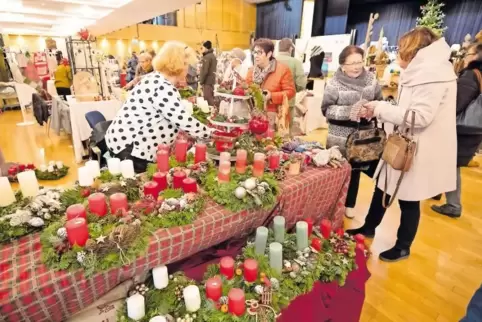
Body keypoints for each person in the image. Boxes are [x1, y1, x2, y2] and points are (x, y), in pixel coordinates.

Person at [348, 27, 457, 262]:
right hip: (402, 143)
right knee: (382, 187)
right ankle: (368, 227)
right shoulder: (425, 71)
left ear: (412, 51)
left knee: (409, 199)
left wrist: (380, 108)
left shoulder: (433, 74)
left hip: (416, 149)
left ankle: (403, 246)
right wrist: (383, 109)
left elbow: (419, 117)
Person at [105, 41, 212, 173]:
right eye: (186, 64)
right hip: (132, 148)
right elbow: (183, 120)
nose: (187, 69)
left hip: (125, 143)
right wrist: (211, 134)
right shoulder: (162, 86)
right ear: (179, 65)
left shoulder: (155, 79)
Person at [321, 45, 383, 219]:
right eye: (352, 63)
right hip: (339, 135)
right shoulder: (334, 83)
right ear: (342, 65)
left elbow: (381, 102)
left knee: (356, 170)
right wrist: (350, 111)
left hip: (364, 135)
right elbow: (326, 110)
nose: (357, 66)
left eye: (360, 61)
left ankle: (349, 204)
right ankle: (329, 204)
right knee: (335, 169)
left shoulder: (371, 80)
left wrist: (371, 110)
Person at [431, 43, 482, 218]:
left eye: (470, 52)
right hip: (474, 128)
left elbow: (456, 104)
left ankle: (453, 205)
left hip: (461, 128)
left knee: (451, 165)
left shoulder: (471, 75)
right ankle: (436, 190)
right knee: (449, 162)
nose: (466, 55)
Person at [246, 38, 296, 128]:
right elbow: (246, 88)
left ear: (269, 54)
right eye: (254, 52)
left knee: (271, 141)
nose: (256, 56)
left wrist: (271, 96)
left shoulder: (283, 70)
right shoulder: (251, 71)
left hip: (274, 117)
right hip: (253, 115)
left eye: (259, 53)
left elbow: (290, 92)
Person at [277, 38, 307, 132]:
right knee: (286, 130)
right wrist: (294, 90)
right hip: (288, 101)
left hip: (270, 101)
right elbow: (301, 83)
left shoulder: (271, 60)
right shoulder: (296, 63)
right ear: (290, 48)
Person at [199, 40, 217, 106]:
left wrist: (201, 81)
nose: (201, 50)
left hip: (207, 81)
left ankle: (213, 113)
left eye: (202, 48)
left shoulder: (207, 57)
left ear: (206, 48)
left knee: (207, 98)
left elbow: (205, 71)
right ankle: (214, 111)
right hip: (211, 80)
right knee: (211, 97)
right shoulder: (212, 55)